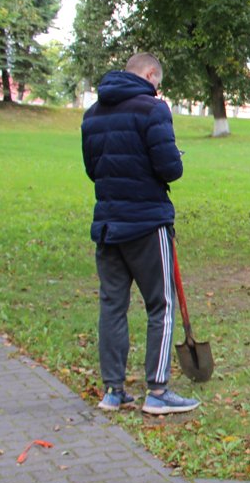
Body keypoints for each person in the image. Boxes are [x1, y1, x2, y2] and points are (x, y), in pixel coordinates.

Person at [80, 52, 200, 416]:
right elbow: (169, 168)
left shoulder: (92, 115)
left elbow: (93, 169)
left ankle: (113, 391)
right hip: (147, 223)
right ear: (150, 75)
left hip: (108, 223)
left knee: (112, 306)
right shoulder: (153, 110)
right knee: (160, 305)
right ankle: (158, 389)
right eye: (157, 82)